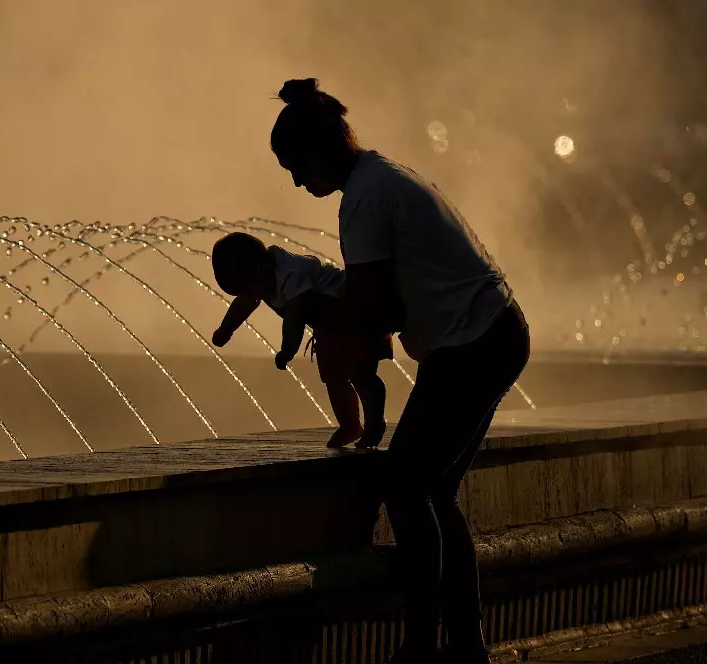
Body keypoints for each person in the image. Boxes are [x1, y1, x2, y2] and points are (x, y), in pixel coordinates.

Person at [268, 78, 531, 664]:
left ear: (318, 151)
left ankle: (422, 646)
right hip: (491, 333)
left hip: (473, 342)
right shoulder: (383, 176)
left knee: (407, 486)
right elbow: (378, 304)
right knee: (433, 491)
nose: (294, 181)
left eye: (293, 166)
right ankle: (463, 646)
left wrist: (310, 307)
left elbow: (376, 309)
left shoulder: (363, 198)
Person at [210, 232, 390, 449]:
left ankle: (375, 423)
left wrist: (288, 350)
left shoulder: (291, 274)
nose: (250, 295)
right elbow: (246, 303)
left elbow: (295, 318)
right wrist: (226, 329)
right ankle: (350, 425)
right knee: (333, 378)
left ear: (260, 271)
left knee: (362, 374)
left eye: (248, 289)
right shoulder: (261, 278)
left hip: (356, 316)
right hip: (328, 328)